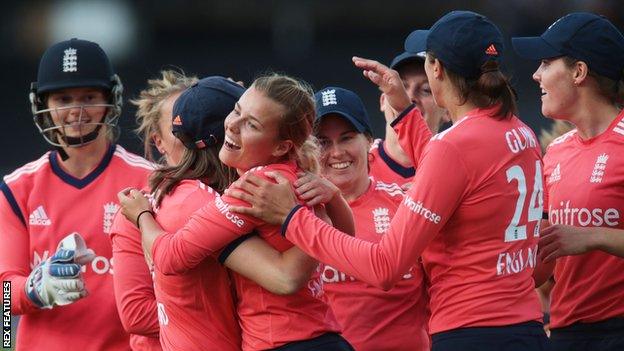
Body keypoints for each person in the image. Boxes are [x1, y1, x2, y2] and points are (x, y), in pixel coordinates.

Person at [226, 11, 549, 351]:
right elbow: (458, 168)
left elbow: (383, 267)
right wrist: (405, 112)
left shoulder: (453, 146)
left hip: (472, 331)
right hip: (524, 326)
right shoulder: (520, 132)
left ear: (436, 69)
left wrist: (293, 218)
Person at [118, 73, 355, 351]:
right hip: (322, 338)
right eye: (236, 111)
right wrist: (331, 203)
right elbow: (343, 243)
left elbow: (170, 258)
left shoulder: (251, 189)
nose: (234, 126)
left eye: (251, 123)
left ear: (282, 145)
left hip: (284, 343)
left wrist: (141, 217)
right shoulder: (292, 175)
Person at [0, 38, 152, 350]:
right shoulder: (16, 189)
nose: (76, 110)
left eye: (89, 96)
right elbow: (4, 302)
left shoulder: (149, 180)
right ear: (43, 105)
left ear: (111, 99)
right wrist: (35, 288)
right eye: (63, 98)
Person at [513, 12, 624, 350]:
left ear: (579, 72)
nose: (535, 74)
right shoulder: (554, 152)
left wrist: (592, 236)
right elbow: (542, 265)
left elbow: (577, 238)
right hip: (565, 332)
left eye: (546, 62)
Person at [304, 86, 429, 350]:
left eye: (347, 138)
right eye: (323, 142)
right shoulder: (298, 214)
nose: (336, 153)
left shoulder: (406, 205)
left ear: (369, 141)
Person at [110, 70, 198, 351]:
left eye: (198, 116)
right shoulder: (138, 209)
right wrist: (215, 318)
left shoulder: (242, 194)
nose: (190, 130)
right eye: (177, 124)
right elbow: (135, 313)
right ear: (158, 141)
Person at [369, 46, 449, 188]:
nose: (409, 97)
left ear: (447, 111)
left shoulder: (456, 175)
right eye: (400, 86)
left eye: (426, 90)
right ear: (382, 101)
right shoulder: (356, 167)